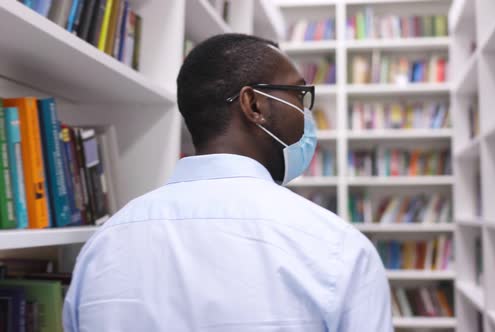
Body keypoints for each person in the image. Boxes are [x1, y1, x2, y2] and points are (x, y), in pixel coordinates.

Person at [63, 33, 392, 332]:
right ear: (254, 105)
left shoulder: (103, 247)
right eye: (300, 94)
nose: (307, 115)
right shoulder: (337, 248)